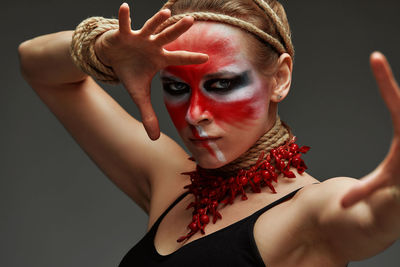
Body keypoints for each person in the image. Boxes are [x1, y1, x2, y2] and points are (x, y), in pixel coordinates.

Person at [18, 0, 400, 266]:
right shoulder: (168, 179)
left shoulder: (308, 212)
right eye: (177, 88)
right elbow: (35, 64)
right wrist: (103, 50)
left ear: (280, 78)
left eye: (221, 85)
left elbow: (368, 219)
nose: (195, 114)